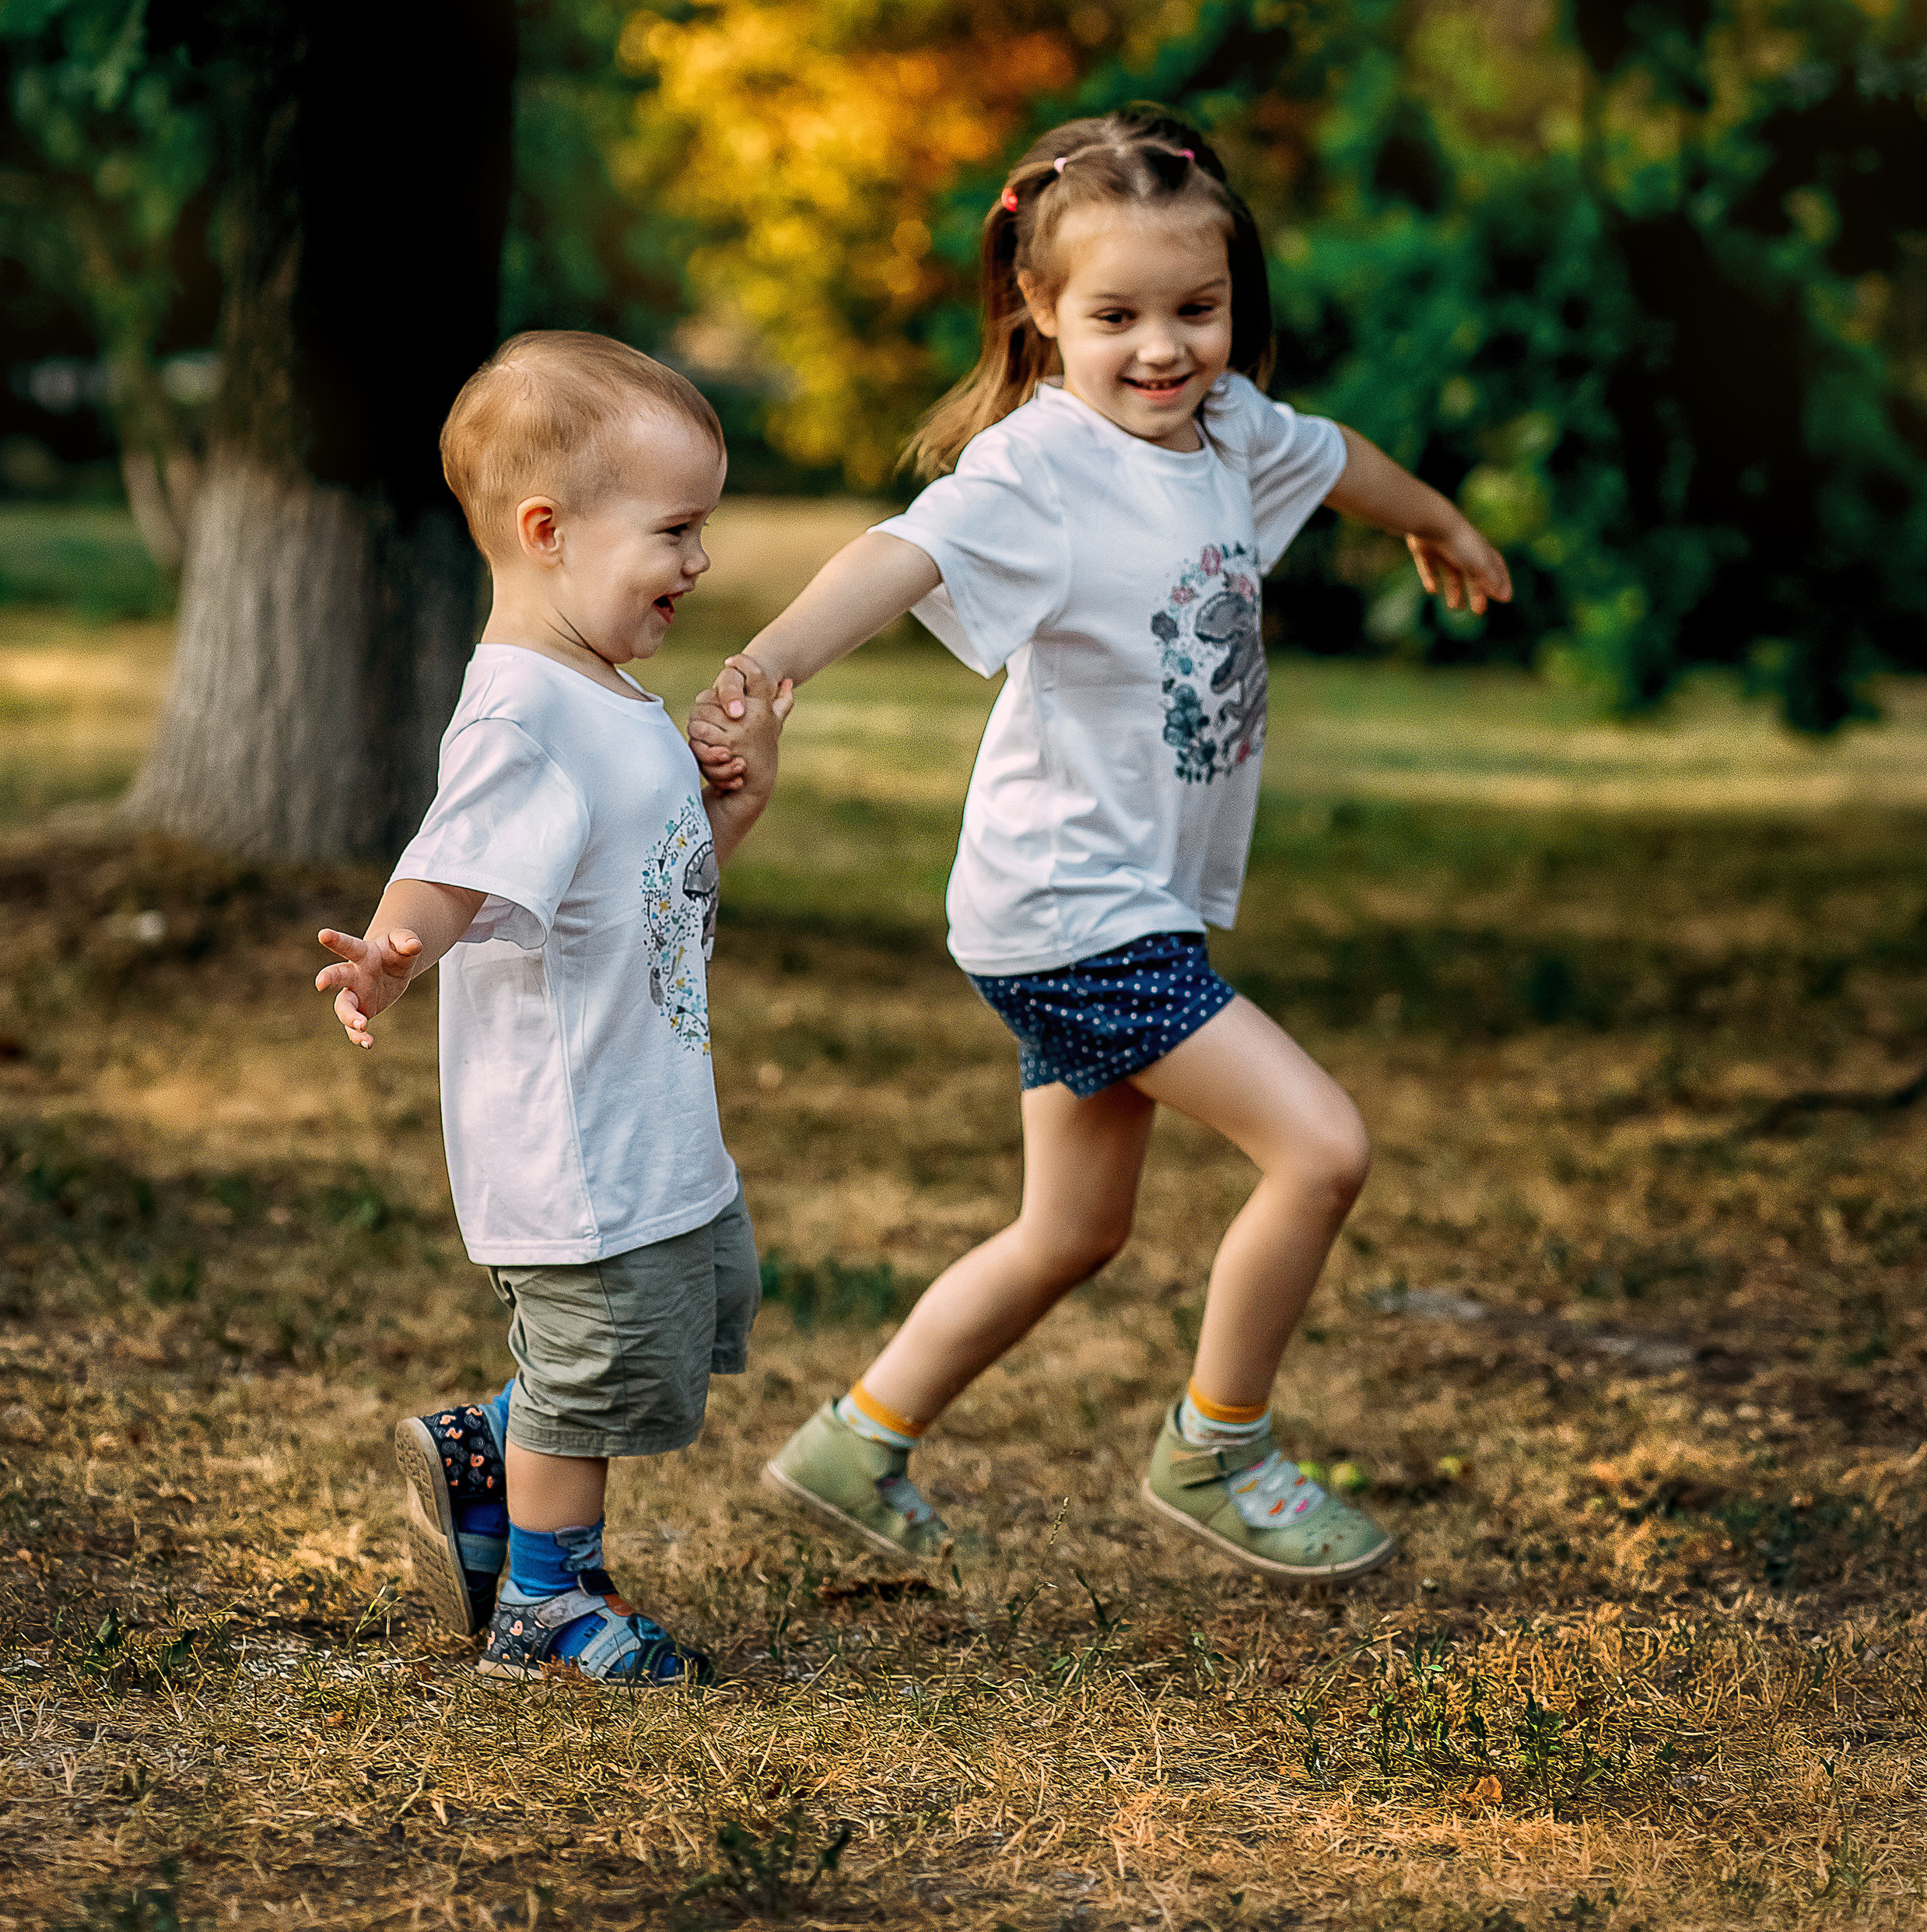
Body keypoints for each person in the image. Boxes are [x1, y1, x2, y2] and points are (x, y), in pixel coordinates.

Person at [689, 107, 1509, 1586]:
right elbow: (901, 549)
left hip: (1102, 909)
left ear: (1233, 307)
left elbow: (1333, 458)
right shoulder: (1044, 469)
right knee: (1322, 1148)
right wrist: (770, 669)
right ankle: (1221, 1445)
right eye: (1116, 316)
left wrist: (1435, 520)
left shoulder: (1232, 434)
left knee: (1072, 1228)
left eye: (1196, 311)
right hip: (1075, 910)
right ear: (1042, 314)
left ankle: (858, 1439)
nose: (1162, 349)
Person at [314, 331, 790, 1685]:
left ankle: (485, 1450)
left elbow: (643, 887)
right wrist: (397, 950)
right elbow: (452, 862)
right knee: (599, 1373)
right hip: (577, 1145)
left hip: (657, 1114)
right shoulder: (521, 716)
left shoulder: (609, 695)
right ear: (549, 531)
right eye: (677, 530)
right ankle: (544, 1605)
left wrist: (725, 815)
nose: (699, 563)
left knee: (684, 1322)